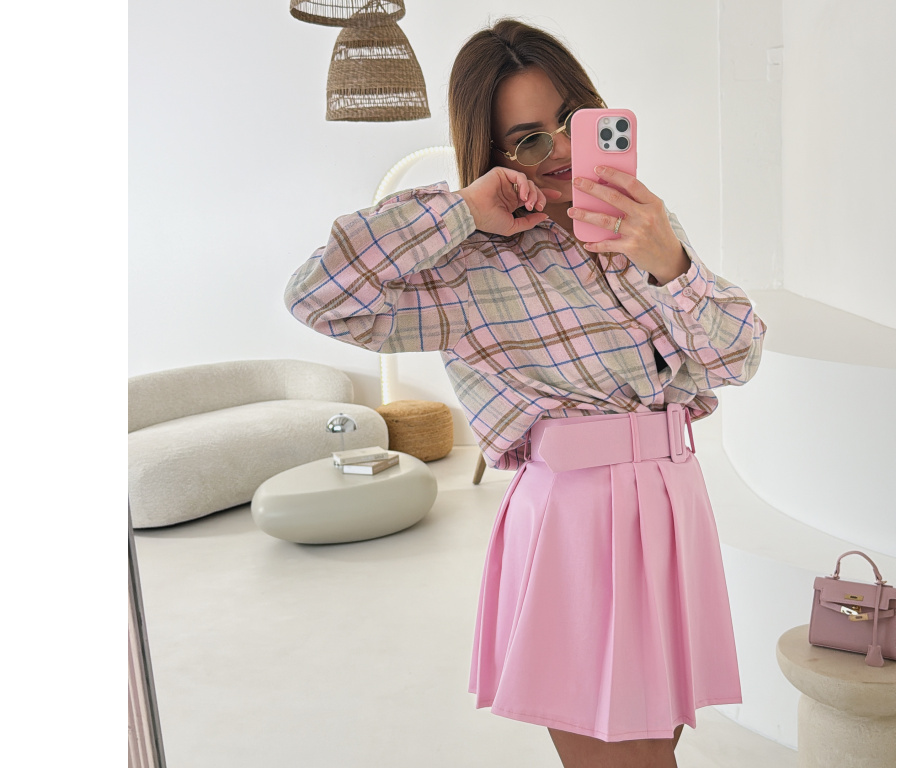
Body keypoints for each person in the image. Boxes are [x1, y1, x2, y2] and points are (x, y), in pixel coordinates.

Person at [284, 18, 766, 768]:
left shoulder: (645, 229)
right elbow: (317, 297)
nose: (565, 149)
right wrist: (459, 211)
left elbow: (737, 358)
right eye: (532, 139)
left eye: (573, 118)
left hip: (674, 507)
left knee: (657, 747)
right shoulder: (465, 265)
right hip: (578, 523)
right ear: (496, 154)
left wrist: (671, 263)